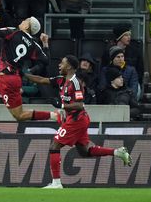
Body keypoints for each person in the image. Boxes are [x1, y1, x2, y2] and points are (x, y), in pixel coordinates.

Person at [24, 55, 132, 188]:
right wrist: (24, 74)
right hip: (76, 119)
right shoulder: (60, 80)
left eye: (62, 63)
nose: (59, 66)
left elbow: (80, 104)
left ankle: (56, 183)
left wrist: (62, 106)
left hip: (77, 119)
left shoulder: (76, 83)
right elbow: (41, 79)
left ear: (69, 66)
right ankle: (117, 152)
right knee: (85, 151)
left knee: (54, 146)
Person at [0, 17, 59, 130]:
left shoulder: (13, 32)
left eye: (25, 20)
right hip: (11, 77)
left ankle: (55, 116)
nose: (22, 21)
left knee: (19, 115)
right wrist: (45, 43)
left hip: (7, 80)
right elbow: (46, 60)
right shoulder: (34, 45)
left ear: (27, 26)